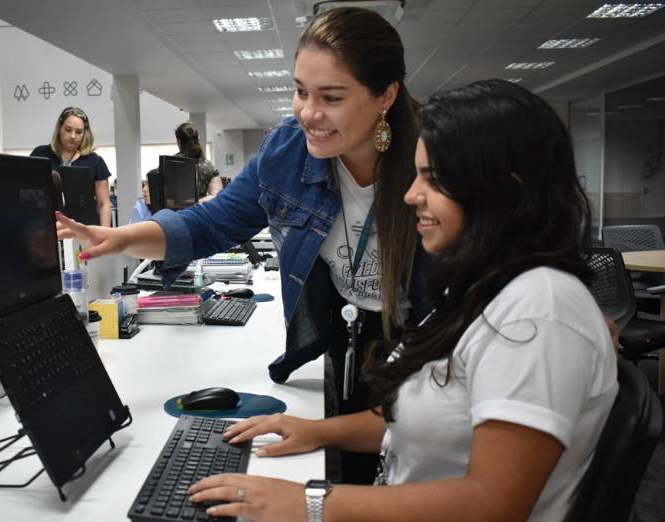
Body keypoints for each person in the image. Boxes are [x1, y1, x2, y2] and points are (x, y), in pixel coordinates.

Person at [182, 80, 619, 522]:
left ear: (506, 189)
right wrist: (318, 431)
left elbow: (494, 505)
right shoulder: (483, 288)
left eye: (434, 180)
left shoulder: (537, 311)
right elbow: (424, 419)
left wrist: (311, 504)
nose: (411, 195)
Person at [56, 7, 423, 484]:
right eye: (301, 91)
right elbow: (213, 222)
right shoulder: (287, 151)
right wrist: (123, 237)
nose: (309, 113)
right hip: (347, 334)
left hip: (423, 343)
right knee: (354, 470)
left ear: (386, 96)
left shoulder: (433, 160)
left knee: (416, 464)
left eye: (331, 97)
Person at [31, 106, 113, 226]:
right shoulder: (40, 154)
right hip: (47, 225)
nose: (73, 136)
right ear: (59, 128)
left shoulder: (95, 161)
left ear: (85, 134)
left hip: (84, 227)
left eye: (79, 132)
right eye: (68, 130)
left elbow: (103, 204)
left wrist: (104, 233)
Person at [174, 121, 220, 199]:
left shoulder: (169, 164)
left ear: (178, 142)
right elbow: (216, 197)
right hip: (201, 206)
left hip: (175, 207)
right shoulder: (208, 167)